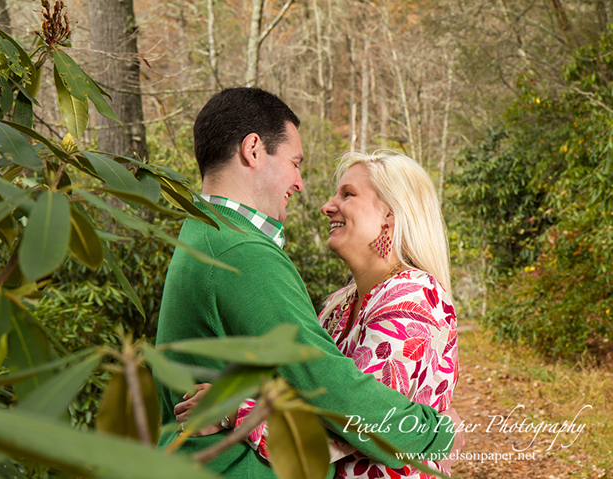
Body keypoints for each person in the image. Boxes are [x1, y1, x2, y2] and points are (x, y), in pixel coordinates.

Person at [155, 87, 462, 478]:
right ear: (253, 150)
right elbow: (329, 391)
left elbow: (334, 404)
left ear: (390, 215)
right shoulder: (239, 250)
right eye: (295, 162)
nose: (302, 185)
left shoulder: (208, 236)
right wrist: (439, 432)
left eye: (347, 194)